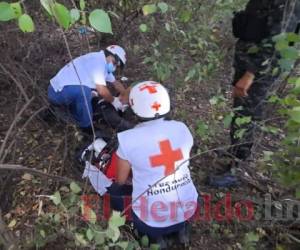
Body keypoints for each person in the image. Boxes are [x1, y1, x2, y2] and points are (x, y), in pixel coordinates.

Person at [209, 0, 300, 187]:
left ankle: (237, 170)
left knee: (248, 114)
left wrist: (251, 74)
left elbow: (280, 42)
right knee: (241, 111)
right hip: (248, 61)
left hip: (259, 69)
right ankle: (235, 153)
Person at [107, 81, 198, 247]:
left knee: (115, 191)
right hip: (189, 209)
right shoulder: (182, 128)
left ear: (135, 108)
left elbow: (120, 180)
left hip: (152, 220)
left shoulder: (128, 139)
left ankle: (153, 239)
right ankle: (182, 231)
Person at [47, 45, 133, 134]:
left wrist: (124, 95)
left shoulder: (103, 62)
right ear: (110, 55)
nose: (114, 67)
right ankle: (86, 127)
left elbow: (116, 83)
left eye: (116, 66)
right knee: (86, 92)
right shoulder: (98, 62)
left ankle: (68, 112)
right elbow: (101, 90)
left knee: (91, 95)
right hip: (57, 92)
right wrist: (114, 101)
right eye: (114, 63)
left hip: (64, 90)